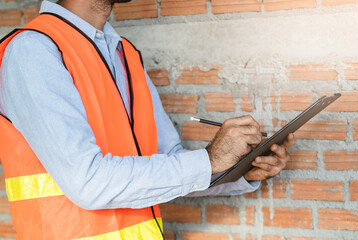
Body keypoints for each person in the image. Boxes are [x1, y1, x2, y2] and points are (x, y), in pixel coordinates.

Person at [0, 0, 295, 239]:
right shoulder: (33, 51)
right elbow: (87, 182)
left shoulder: (123, 54)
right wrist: (210, 159)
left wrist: (238, 170)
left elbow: (166, 161)